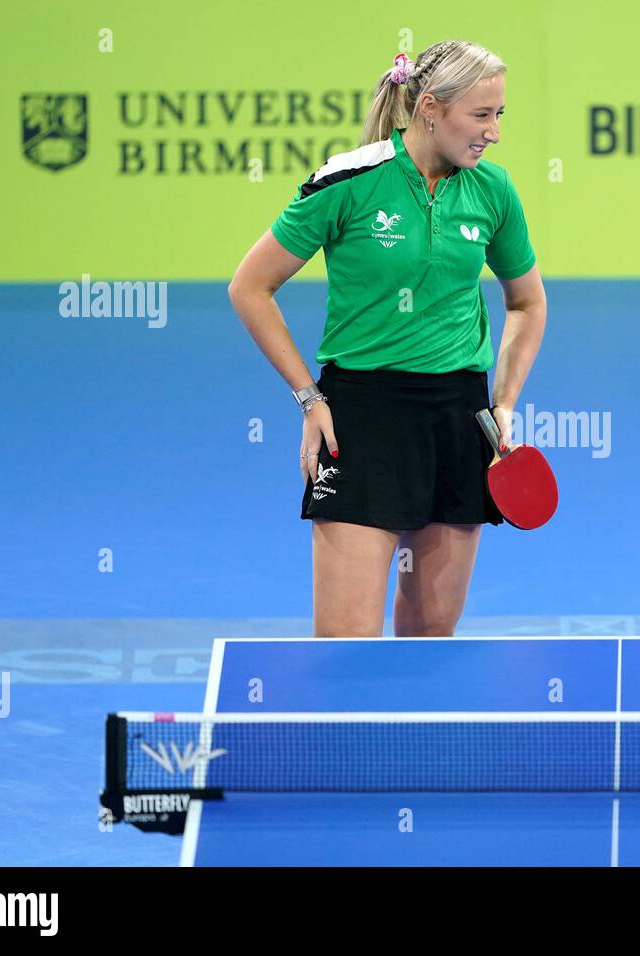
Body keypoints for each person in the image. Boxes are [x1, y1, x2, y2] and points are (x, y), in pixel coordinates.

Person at [227, 41, 545, 637]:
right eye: (482, 115)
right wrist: (310, 398)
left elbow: (527, 302)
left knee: (429, 642)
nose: (494, 132)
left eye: (500, 115)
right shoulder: (348, 181)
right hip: (362, 420)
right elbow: (249, 287)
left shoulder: (493, 191)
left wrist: (503, 400)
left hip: (458, 418)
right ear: (429, 107)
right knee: (345, 646)